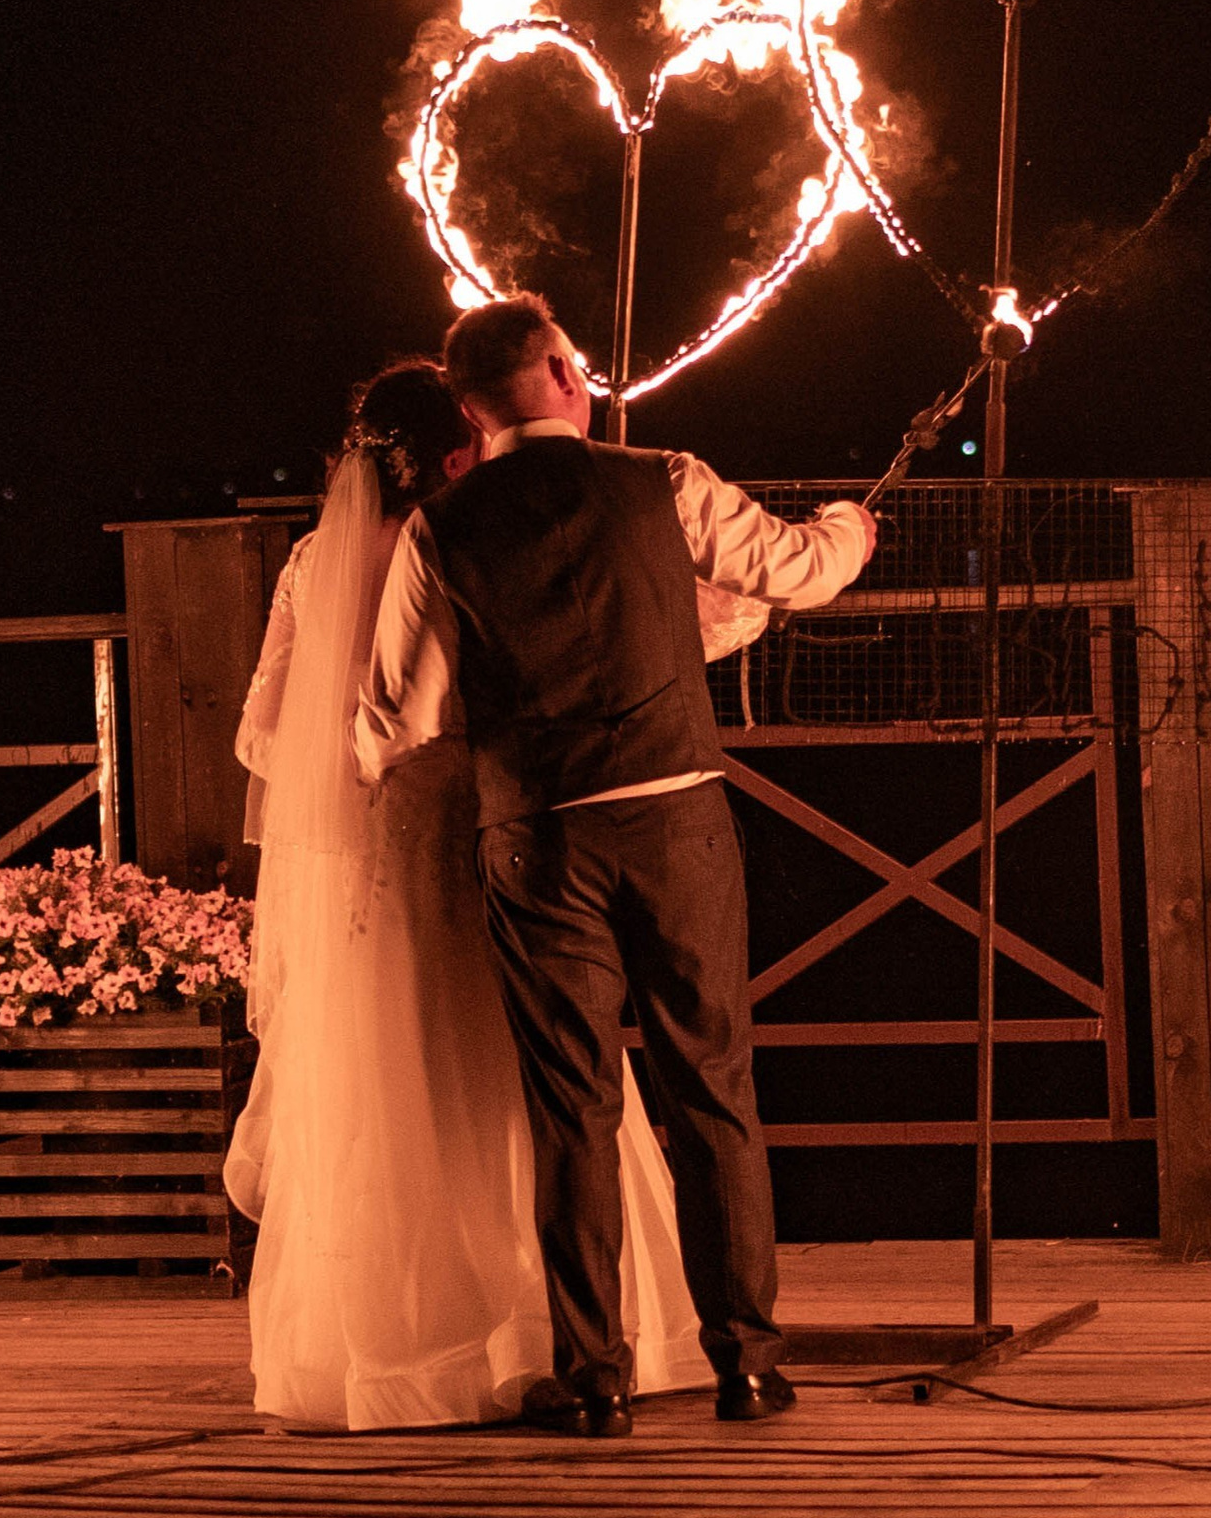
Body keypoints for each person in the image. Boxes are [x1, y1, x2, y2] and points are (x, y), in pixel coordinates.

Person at [354, 293, 874, 1436]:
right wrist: (851, 524)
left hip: (536, 836)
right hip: (675, 817)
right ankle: (744, 1361)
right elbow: (796, 571)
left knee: (572, 1106)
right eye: (573, 363)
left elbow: (395, 721)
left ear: (472, 406)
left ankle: (593, 1375)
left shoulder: (444, 527)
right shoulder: (665, 479)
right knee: (711, 1092)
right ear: (553, 371)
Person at [227, 360, 709, 1430]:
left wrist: (342, 766)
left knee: (388, 1084)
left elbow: (260, 735)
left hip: (373, 865)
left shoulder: (311, 562)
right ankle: (559, 1331)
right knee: (536, 1077)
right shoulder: (464, 539)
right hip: (487, 835)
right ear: (457, 451)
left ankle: (397, 1356)